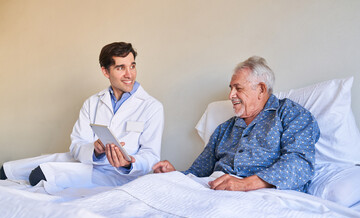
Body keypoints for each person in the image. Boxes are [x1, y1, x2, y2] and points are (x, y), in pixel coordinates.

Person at [1, 42, 164, 189]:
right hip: (87, 164)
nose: (129, 74)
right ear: (105, 71)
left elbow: (151, 155)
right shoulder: (92, 103)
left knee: (41, 174)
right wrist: (96, 151)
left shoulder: (152, 107)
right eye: (121, 68)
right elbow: (77, 144)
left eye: (132, 66)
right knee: (9, 170)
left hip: (119, 177)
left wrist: (129, 164)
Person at [153, 56, 320, 192]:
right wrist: (174, 175)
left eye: (238, 88)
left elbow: (300, 164)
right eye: (231, 88)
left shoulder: (291, 114)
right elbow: (197, 173)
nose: (231, 95)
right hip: (214, 191)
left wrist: (245, 184)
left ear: (261, 89)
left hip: (265, 195)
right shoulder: (224, 129)